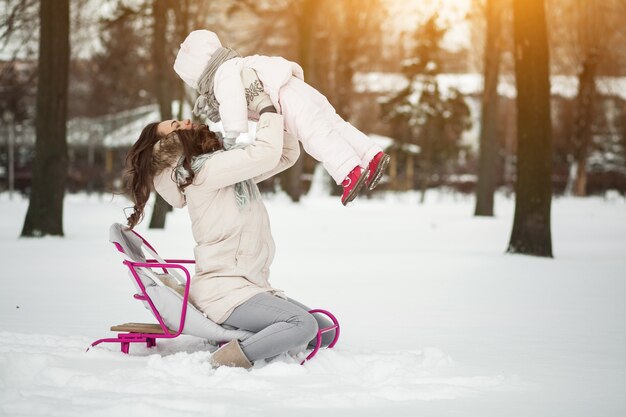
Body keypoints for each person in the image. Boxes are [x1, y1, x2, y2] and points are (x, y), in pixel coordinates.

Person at [123, 88, 334, 369]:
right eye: (175, 126)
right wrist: (265, 108)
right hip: (224, 293)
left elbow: (283, 155)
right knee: (302, 324)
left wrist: (275, 112)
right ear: (167, 147)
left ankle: (244, 338)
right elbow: (264, 153)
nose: (186, 122)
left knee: (324, 331)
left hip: (250, 285)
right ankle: (222, 360)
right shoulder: (203, 172)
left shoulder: (220, 170)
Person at [173, 29, 391, 206]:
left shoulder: (223, 73)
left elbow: (232, 101)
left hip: (287, 101)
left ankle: (349, 172)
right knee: (334, 125)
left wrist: (231, 137)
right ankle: (371, 156)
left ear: (198, 73)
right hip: (297, 90)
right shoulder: (235, 63)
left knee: (316, 136)